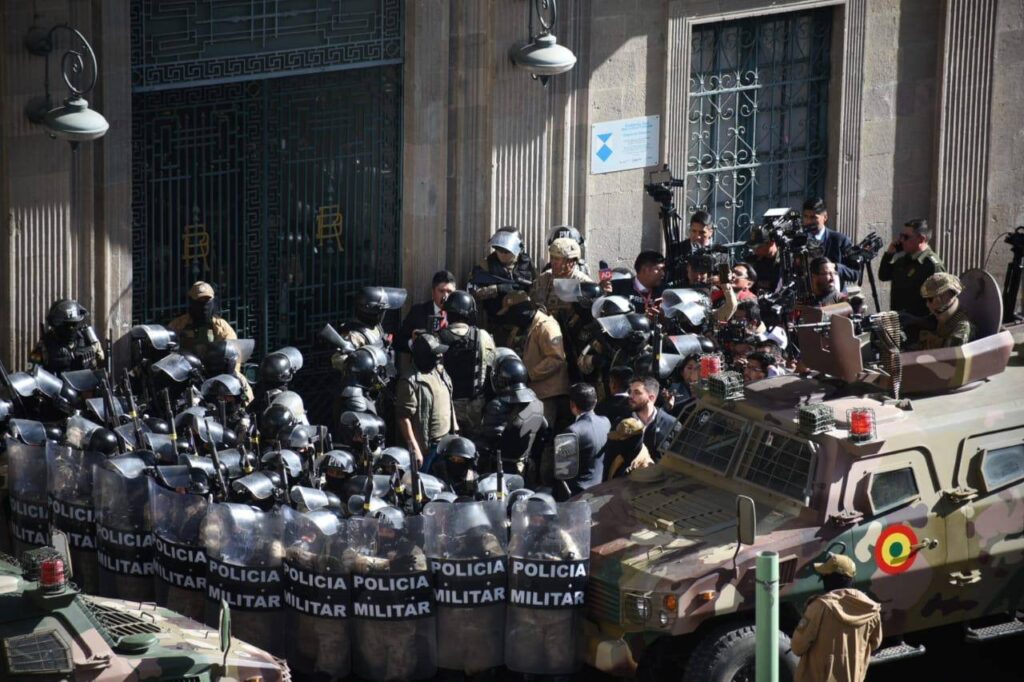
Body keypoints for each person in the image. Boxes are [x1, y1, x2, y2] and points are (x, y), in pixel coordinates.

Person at [791, 553, 882, 682]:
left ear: (830, 578)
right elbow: (875, 643)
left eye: (824, 575)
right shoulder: (871, 609)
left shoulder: (819, 607)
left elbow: (797, 646)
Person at [497, 291, 571, 434]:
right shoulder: (519, 329)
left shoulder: (545, 326)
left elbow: (556, 358)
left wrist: (529, 374)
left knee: (540, 435)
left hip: (546, 395)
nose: (508, 318)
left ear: (522, 310)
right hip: (526, 393)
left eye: (510, 313)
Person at [437, 290, 495, 440]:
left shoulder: (437, 338)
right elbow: (492, 368)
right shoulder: (483, 336)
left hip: (448, 407)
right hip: (476, 407)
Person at [395, 334, 457, 470]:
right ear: (423, 356)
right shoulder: (409, 380)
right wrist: (414, 449)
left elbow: (448, 401)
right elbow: (403, 418)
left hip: (446, 442)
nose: (439, 356)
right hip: (427, 449)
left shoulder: (439, 371)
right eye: (435, 354)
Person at [468, 227, 537, 340]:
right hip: (498, 324)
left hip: (526, 324)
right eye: (499, 249)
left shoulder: (526, 263)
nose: (503, 253)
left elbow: (537, 286)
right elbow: (472, 293)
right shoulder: (486, 265)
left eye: (507, 250)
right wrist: (498, 289)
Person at [878, 218, 945, 318]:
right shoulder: (904, 260)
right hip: (899, 321)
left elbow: (941, 303)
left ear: (921, 239)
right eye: (901, 236)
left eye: (906, 237)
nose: (901, 240)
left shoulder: (932, 265)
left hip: (919, 323)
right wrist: (889, 254)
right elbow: (884, 275)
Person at [30, 299, 105, 373]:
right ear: (56, 324)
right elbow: (32, 372)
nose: (71, 328)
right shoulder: (45, 346)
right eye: (67, 325)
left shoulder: (89, 339)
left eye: (74, 324)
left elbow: (101, 363)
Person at [167, 281, 238, 359]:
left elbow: (233, 351)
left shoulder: (221, 326)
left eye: (207, 300)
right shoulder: (178, 324)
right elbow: (168, 347)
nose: (204, 305)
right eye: (200, 301)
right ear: (191, 301)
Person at [561, 383, 610, 495]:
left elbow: (563, 471)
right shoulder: (605, 421)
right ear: (595, 401)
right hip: (602, 486)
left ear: (572, 404)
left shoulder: (572, 431)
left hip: (578, 492)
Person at [394, 270, 457, 355]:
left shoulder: (459, 314)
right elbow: (398, 342)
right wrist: (414, 342)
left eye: (449, 292)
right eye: (441, 291)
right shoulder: (418, 311)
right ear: (433, 292)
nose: (446, 296)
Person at [800, 198, 859, 286]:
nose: (808, 221)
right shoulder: (798, 240)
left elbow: (855, 273)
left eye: (813, 217)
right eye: (805, 216)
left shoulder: (840, 240)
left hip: (834, 293)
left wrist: (834, 267)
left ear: (825, 217)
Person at [531, 237, 594, 317]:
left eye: (557, 259)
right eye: (552, 258)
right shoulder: (544, 279)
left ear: (571, 262)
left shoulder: (582, 283)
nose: (553, 262)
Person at [915, 273, 975, 350]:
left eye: (930, 299)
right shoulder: (944, 317)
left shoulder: (962, 327)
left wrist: (932, 341)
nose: (927, 304)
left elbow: (950, 354)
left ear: (941, 299)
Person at [628, 376, 676, 461]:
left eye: (637, 392)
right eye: (630, 392)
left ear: (651, 398)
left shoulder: (672, 425)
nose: (631, 396)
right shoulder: (621, 422)